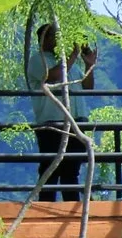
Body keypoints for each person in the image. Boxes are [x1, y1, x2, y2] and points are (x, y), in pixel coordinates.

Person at [34, 23, 95, 202]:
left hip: (76, 120)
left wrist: (89, 65)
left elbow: (88, 86)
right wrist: (74, 54)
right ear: (43, 39)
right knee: (50, 169)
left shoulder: (68, 63)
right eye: (53, 36)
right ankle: (46, 208)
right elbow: (53, 77)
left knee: (71, 170)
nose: (57, 40)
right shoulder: (38, 60)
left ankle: (72, 206)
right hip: (52, 122)